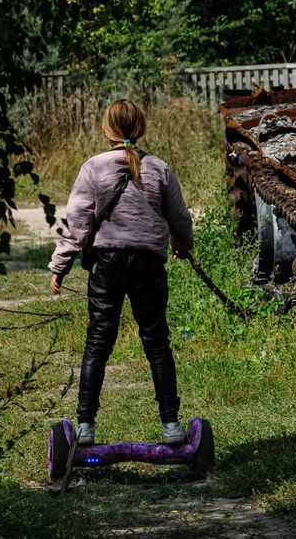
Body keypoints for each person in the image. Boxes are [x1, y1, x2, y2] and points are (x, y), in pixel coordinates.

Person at [48, 99, 193, 446]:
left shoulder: (92, 169)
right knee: (157, 341)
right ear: (140, 127)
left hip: (107, 263)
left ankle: (85, 425)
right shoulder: (158, 168)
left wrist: (60, 265)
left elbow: (79, 225)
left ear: (106, 129)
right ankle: (171, 424)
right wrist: (183, 246)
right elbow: (180, 217)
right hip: (148, 264)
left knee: (98, 340)